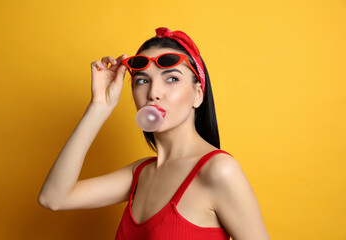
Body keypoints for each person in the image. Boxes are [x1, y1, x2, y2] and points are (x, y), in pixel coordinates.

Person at [38, 27, 270, 240]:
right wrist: (100, 106)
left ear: (198, 93)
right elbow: (53, 198)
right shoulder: (139, 174)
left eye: (171, 78)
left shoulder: (218, 170)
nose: (153, 93)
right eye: (142, 80)